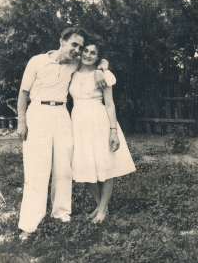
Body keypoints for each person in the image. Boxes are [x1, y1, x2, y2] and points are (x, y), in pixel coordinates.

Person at [17, 27, 108, 239]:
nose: (77, 50)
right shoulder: (37, 61)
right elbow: (23, 93)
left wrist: (101, 69)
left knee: (63, 167)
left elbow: (101, 61)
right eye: (74, 45)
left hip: (61, 115)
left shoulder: (76, 63)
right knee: (36, 170)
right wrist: (21, 121)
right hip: (37, 112)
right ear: (62, 41)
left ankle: (61, 215)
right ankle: (30, 225)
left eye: (80, 47)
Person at [69, 35, 136, 224]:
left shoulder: (104, 75)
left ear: (98, 57)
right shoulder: (72, 71)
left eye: (94, 53)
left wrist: (113, 130)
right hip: (78, 122)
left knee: (105, 165)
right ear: (80, 51)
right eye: (86, 51)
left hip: (99, 121)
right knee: (84, 165)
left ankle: (103, 208)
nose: (88, 55)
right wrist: (100, 66)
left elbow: (110, 104)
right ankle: (100, 205)